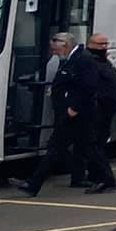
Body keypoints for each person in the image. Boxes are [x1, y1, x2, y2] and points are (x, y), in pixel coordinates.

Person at [16, 33, 86, 195]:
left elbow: (87, 86)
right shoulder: (70, 59)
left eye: (55, 49)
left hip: (76, 114)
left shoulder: (82, 60)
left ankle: (33, 185)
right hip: (71, 113)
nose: (54, 52)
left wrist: (73, 108)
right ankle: (98, 178)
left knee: (56, 148)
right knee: (87, 147)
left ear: (65, 45)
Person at [66, 32, 116, 194]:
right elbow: (87, 86)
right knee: (91, 144)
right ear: (91, 45)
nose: (104, 48)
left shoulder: (99, 61)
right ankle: (94, 177)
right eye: (101, 45)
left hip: (103, 108)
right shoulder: (91, 61)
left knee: (93, 144)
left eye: (106, 44)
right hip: (97, 107)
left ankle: (104, 180)